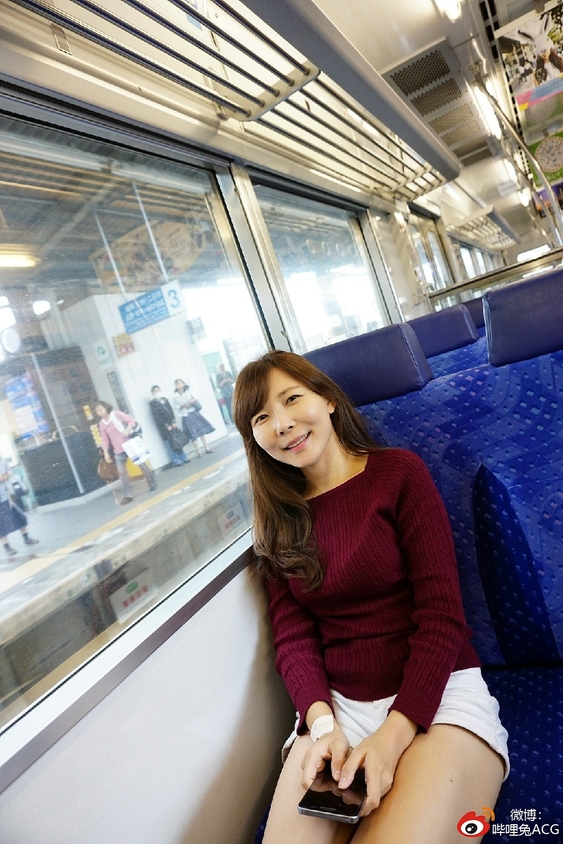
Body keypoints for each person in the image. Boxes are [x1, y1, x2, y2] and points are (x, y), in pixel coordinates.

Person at [232, 350, 508, 844]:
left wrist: (390, 739)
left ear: (328, 400)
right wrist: (322, 726)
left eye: (292, 399)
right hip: (337, 709)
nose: (282, 424)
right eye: (261, 418)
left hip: (438, 692)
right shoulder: (277, 523)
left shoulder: (399, 475)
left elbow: (442, 617)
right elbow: (294, 641)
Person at [95, 401, 156, 505]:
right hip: (118, 450)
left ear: (106, 407)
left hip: (129, 445)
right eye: (97, 411)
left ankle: (152, 483)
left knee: (141, 465)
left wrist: (127, 430)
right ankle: (128, 495)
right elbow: (104, 439)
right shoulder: (101, 424)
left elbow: (131, 421)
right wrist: (106, 453)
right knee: (122, 473)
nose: (99, 412)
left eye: (100, 409)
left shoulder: (116, 414)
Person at [0, 458, 38, 557]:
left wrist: (4, 476)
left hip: (8, 496)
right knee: (1, 525)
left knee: (20, 518)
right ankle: (7, 547)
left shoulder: (1, 459)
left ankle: (26, 539)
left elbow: (10, 472)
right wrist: (4, 476)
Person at [173, 379, 215, 458]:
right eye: (177, 384)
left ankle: (207, 448)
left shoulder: (188, 390)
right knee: (192, 434)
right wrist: (183, 405)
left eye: (180, 383)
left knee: (201, 430)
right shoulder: (175, 396)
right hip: (185, 415)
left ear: (183, 384)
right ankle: (199, 451)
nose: (179, 385)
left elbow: (196, 397)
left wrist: (191, 401)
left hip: (193, 411)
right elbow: (176, 407)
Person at [148, 385, 189, 467]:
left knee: (177, 441)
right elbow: (157, 417)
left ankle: (183, 457)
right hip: (163, 428)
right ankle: (176, 460)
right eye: (155, 391)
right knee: (169, 444)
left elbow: (171, 411)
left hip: (172, 424)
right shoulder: (153, 404)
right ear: (152, 393)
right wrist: (166, 425)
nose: (157, 392)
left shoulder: (165, 400)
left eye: (158, 390)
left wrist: (173, 421)